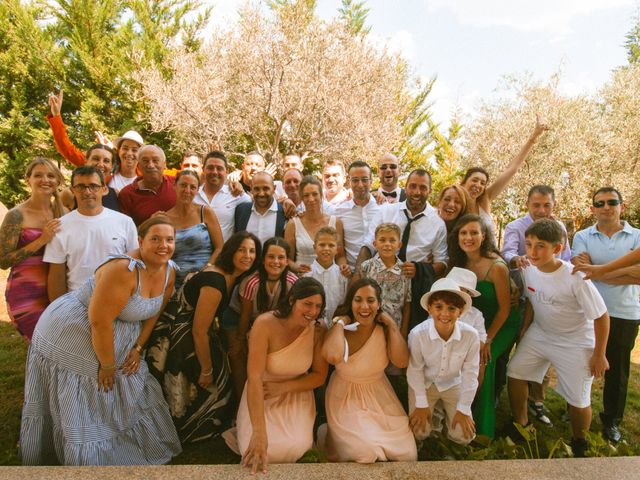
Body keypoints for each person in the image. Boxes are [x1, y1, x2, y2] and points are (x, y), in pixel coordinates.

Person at [20, 216, 182, 465]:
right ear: (140, 241)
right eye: (156, 239)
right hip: (74, 329)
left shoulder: (169, 269)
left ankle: (126, 448)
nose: (164, 245)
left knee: (130, 381)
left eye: (169, 240)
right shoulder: (123, 270)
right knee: (95, 385)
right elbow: (99, 322)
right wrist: (107, 365)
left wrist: (138, 347)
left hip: (119, 331)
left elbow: (155, 311)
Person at [146, 231, 260, 443]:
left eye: (252, 251)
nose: (248, 255)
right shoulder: (215, 282)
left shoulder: (231, 277)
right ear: (230, 252)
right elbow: (199, 331)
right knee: (212, 375)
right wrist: (206, 370)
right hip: (184, 335)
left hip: (197, 330)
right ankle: (195, 428)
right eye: (241, 250)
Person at [508, 219, 610, 457]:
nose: (533, 252)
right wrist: (525, 328)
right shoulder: (527, 268)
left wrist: (599, 354)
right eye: (530, 244)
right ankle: (521, 426)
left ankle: (579, 441)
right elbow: (534, 298)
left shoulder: (575, 277)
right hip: (541, 333)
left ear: (557, 248)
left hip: (576, 340)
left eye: (540, 246)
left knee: (578, 397)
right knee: (515, 372)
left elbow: (602, 316)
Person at [224, 277, 328, 474]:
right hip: (261, 391)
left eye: (318, 306)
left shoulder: (318, 330)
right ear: (291, 301)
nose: (312, 312)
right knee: (256, 447)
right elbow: (254, 377)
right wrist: (259, 433)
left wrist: (283, 388)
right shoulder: (265, 324)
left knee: (295, 447)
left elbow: (319, 377)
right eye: (307, 304)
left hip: (296, 391)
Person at [319, 278, 417, 463]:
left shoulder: (384, 330)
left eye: (371, 300)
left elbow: (402, 361)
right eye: (358, 300)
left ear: (379, 304)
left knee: (407, 454)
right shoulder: (340, 328)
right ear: (350, 303)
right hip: (345, 397)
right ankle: (327, 433)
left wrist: (392, 325)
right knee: (366, 452)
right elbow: (332, 357)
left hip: (380, 395)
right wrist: (340, 324)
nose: (364, 306)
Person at [571, 187, 640, 443]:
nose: (606, 207)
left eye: (612, 202)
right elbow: (580, 268)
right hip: (587, 313)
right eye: (600, 203)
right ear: (593, 209)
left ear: (622, 205)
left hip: (624, 312)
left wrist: (598, 272)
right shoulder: (582, 236)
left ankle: (612, 421)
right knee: (581, 364)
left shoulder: (637, 237)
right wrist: (625, 272)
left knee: (618, 371)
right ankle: (578, 408)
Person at [501, 184, 572, 426]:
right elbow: (507, 252)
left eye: (547, 205)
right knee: (514, 348)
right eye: (536, 205)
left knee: (541, 350)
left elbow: (566, 258)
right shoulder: (515, 226)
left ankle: (537, 400)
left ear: (553, 205)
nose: (541, 210)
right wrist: (517, 258)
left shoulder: (558, 228)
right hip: (518, 297)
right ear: (527, 205)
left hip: (546, 300)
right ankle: (504, 392)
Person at [448, 214, 520, 438]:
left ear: (484, 236)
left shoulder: (496, 266)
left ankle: (480, 426)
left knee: (482, 361)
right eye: (463, 233)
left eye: (473, 232)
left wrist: (487, 340)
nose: (468, 237)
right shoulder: (459, 261)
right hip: (473, 321)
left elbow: (505, 309)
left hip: (501, 324)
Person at [364, 169, 448, 330]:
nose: (417, 192)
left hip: (415, 287)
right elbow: (368, 244)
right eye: (413, 186)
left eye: (423, 188)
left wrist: (420, 268)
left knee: (407, 332)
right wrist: (360, 274)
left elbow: (442, 263)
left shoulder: (437, 223)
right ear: (406, 187)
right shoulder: (386, 211)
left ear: (430, 190)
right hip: (381, 280)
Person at [44, 166, 138, 302]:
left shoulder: (125, 222)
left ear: (104, 189)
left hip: (118, 301)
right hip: (76, 303)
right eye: (81, 187)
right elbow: (56, 276)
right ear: (72, 190)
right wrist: (59, 309)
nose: (87, 192)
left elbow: (134, 266)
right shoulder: (60, 226)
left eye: (93, 186)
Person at [222, 237, 298, 402]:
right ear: (263, 260)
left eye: (281, 257)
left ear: (287, 261)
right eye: (271, 257)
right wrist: (240, 339)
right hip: (238, 319)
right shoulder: (252, 282)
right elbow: (245, 315)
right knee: (238, 355)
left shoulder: (293, 282)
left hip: (269, 322)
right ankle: (243, 398)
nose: (276, 261)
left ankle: (272, 396)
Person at [407, 278, 479, 445]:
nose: (445, 314)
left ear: (460, 312)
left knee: (464, 435)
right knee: (419, 431)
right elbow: (415, 370)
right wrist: (421, 403)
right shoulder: (418, 334)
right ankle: (426, 442)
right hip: (424, 384)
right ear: (430, 309)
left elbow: (470, 373)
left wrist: (464, 409)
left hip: (453, 383)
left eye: (452, 308)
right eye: (439, 307)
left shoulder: (471, 335)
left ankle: (452, 439)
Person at [0, 158, 64, 340]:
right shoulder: (16, 215)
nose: (45, 180)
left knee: (59, 345)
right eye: (38, 175)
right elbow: (3, 261)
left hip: (59, 289)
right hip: (26, 293)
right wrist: (41, 240)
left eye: (51, 175)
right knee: (40, 342)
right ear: (28, 179)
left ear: (58, 180)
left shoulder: (63, 212)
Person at [460, 115, 548, 238]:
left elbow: (512, 169)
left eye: (482, 183)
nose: (478, 185)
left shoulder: (485, 199)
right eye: (474, 180)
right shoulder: (454, 204)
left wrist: (534, 136)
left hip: (492, 255)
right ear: (463, 182)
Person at [46, 89, 143, 193]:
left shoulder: (147, 176)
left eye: (134, 150)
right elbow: (67, 149)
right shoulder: (105, 170)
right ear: (119, 151)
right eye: (125, 148)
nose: (129, 153)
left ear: (141, 154)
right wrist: (56, 116)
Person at [159, 169, 224, 289]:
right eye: (183, 185)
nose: (187, 191)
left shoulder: (205, 212)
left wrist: (206, 270)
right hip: (172, 283)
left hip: (204, 281)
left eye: (192, 187)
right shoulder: (165, 219)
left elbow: (220, 247)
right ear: (174, 186)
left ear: (197, 190)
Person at [284, 175, 346, 274]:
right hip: (303, 279)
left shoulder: (335, 223)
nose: (311, 199)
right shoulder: (293, 224)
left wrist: (343, 267)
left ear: (321, 196)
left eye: (314, 194)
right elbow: (288, 259)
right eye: (306, 195)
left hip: (330, 278)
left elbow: (340, 256)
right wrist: (296, 267)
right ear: (302, 198)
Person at [193, 151, 250, 242]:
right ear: (203, 169)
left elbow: (256, 205)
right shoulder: (193, 195)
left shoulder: (235, 194)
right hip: (197, 254)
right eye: (210, 168)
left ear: (226, 172)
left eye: (219, 168)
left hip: (223, 254)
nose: (215, 172)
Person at [333, 161, 381, 269]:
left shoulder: (382, 208)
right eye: (355, 180)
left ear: (371, 182)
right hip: (350, 272)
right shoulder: (339, 211)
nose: (360, 185)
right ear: (349, 182)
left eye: (364, 180)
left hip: (378, 272)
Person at [118, 145, 177, 225]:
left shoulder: (177, 183)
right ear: (138, 166)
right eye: (145, 161)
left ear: (164, 164)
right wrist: (149, 224)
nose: (151, 165)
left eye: (155, 160)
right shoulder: (127, 194)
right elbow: (124, 231)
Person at [304, 226, 349, 328]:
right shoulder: (307, 275)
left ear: (337, 249)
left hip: (335, 325)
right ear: (314, 247)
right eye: (322, 245)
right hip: (311, 325)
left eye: (331, 245)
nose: (326, 249)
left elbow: (343, 302)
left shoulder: (342, 275)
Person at [60, 144, 120, 212]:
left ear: (112, 167)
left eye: (106, 161)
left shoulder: (116, 194)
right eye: (96, 159)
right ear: (86, 161)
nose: (100, 164)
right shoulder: (69, 194)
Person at [234, 172, 286, 245]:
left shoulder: (285, 213)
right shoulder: (241, 211)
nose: (261, 194)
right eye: (257, 189)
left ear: (274, 188)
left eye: (266, 188)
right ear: (251, 188)